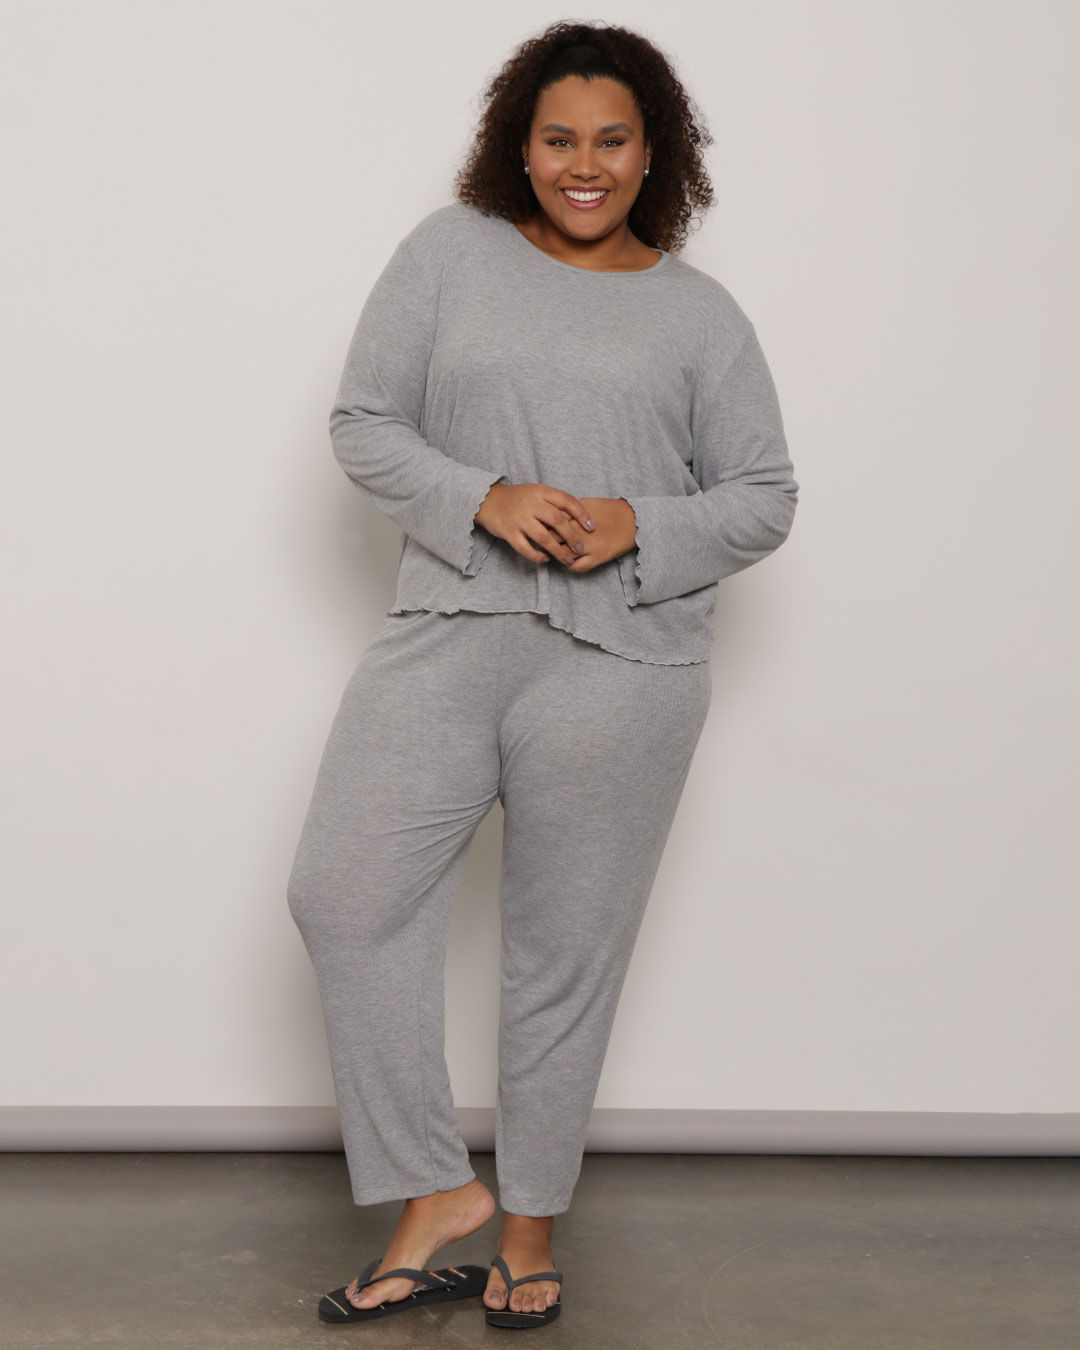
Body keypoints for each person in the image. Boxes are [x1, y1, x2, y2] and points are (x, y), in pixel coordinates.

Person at [287, 19, 798, 1330]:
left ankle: (527, 1230)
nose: (585, 164)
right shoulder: (448, 255)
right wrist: (485, 495)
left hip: (625, 668)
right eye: (559, 138)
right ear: (518, 148)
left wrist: (642, 522)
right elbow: (362, 423)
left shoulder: (700, 316)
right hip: (448, 632)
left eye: (611, 140)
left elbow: (764, 496)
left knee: (560, 959)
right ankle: (433, 1187)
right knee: (343, 898)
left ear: (652, 153)